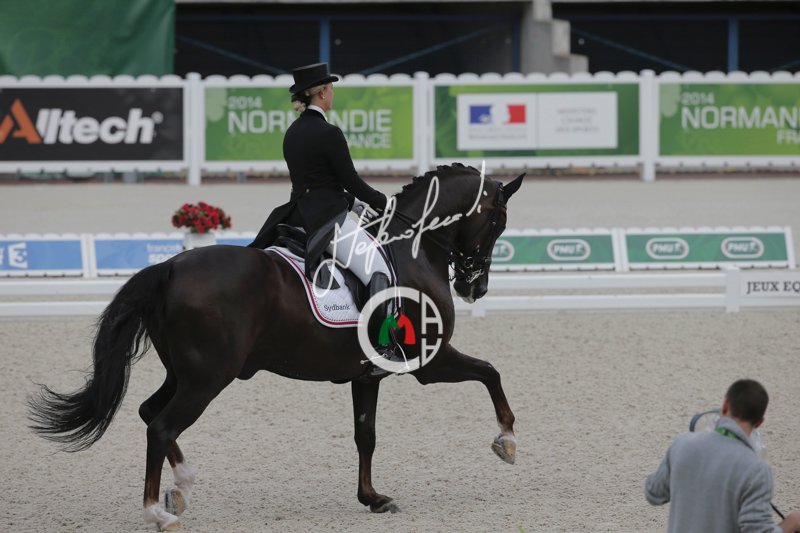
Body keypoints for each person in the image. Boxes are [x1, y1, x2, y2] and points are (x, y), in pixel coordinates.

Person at [249, 62, 399, 368]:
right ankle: (380, 350)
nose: (332, 94)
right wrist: (384, 203)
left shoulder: (292, 132)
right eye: (330, 89)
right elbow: (350, 180)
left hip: (296, 215)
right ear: (321, 93)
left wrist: (351, 203)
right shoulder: (329, 133)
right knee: (378, 270)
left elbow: (316, 181)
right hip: (327, 220)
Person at [645, 379, 800, 533]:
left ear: (725, 405)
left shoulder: (682, 444)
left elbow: (653, 493)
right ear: (759, 423)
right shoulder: (757, 470)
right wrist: (792, 522)